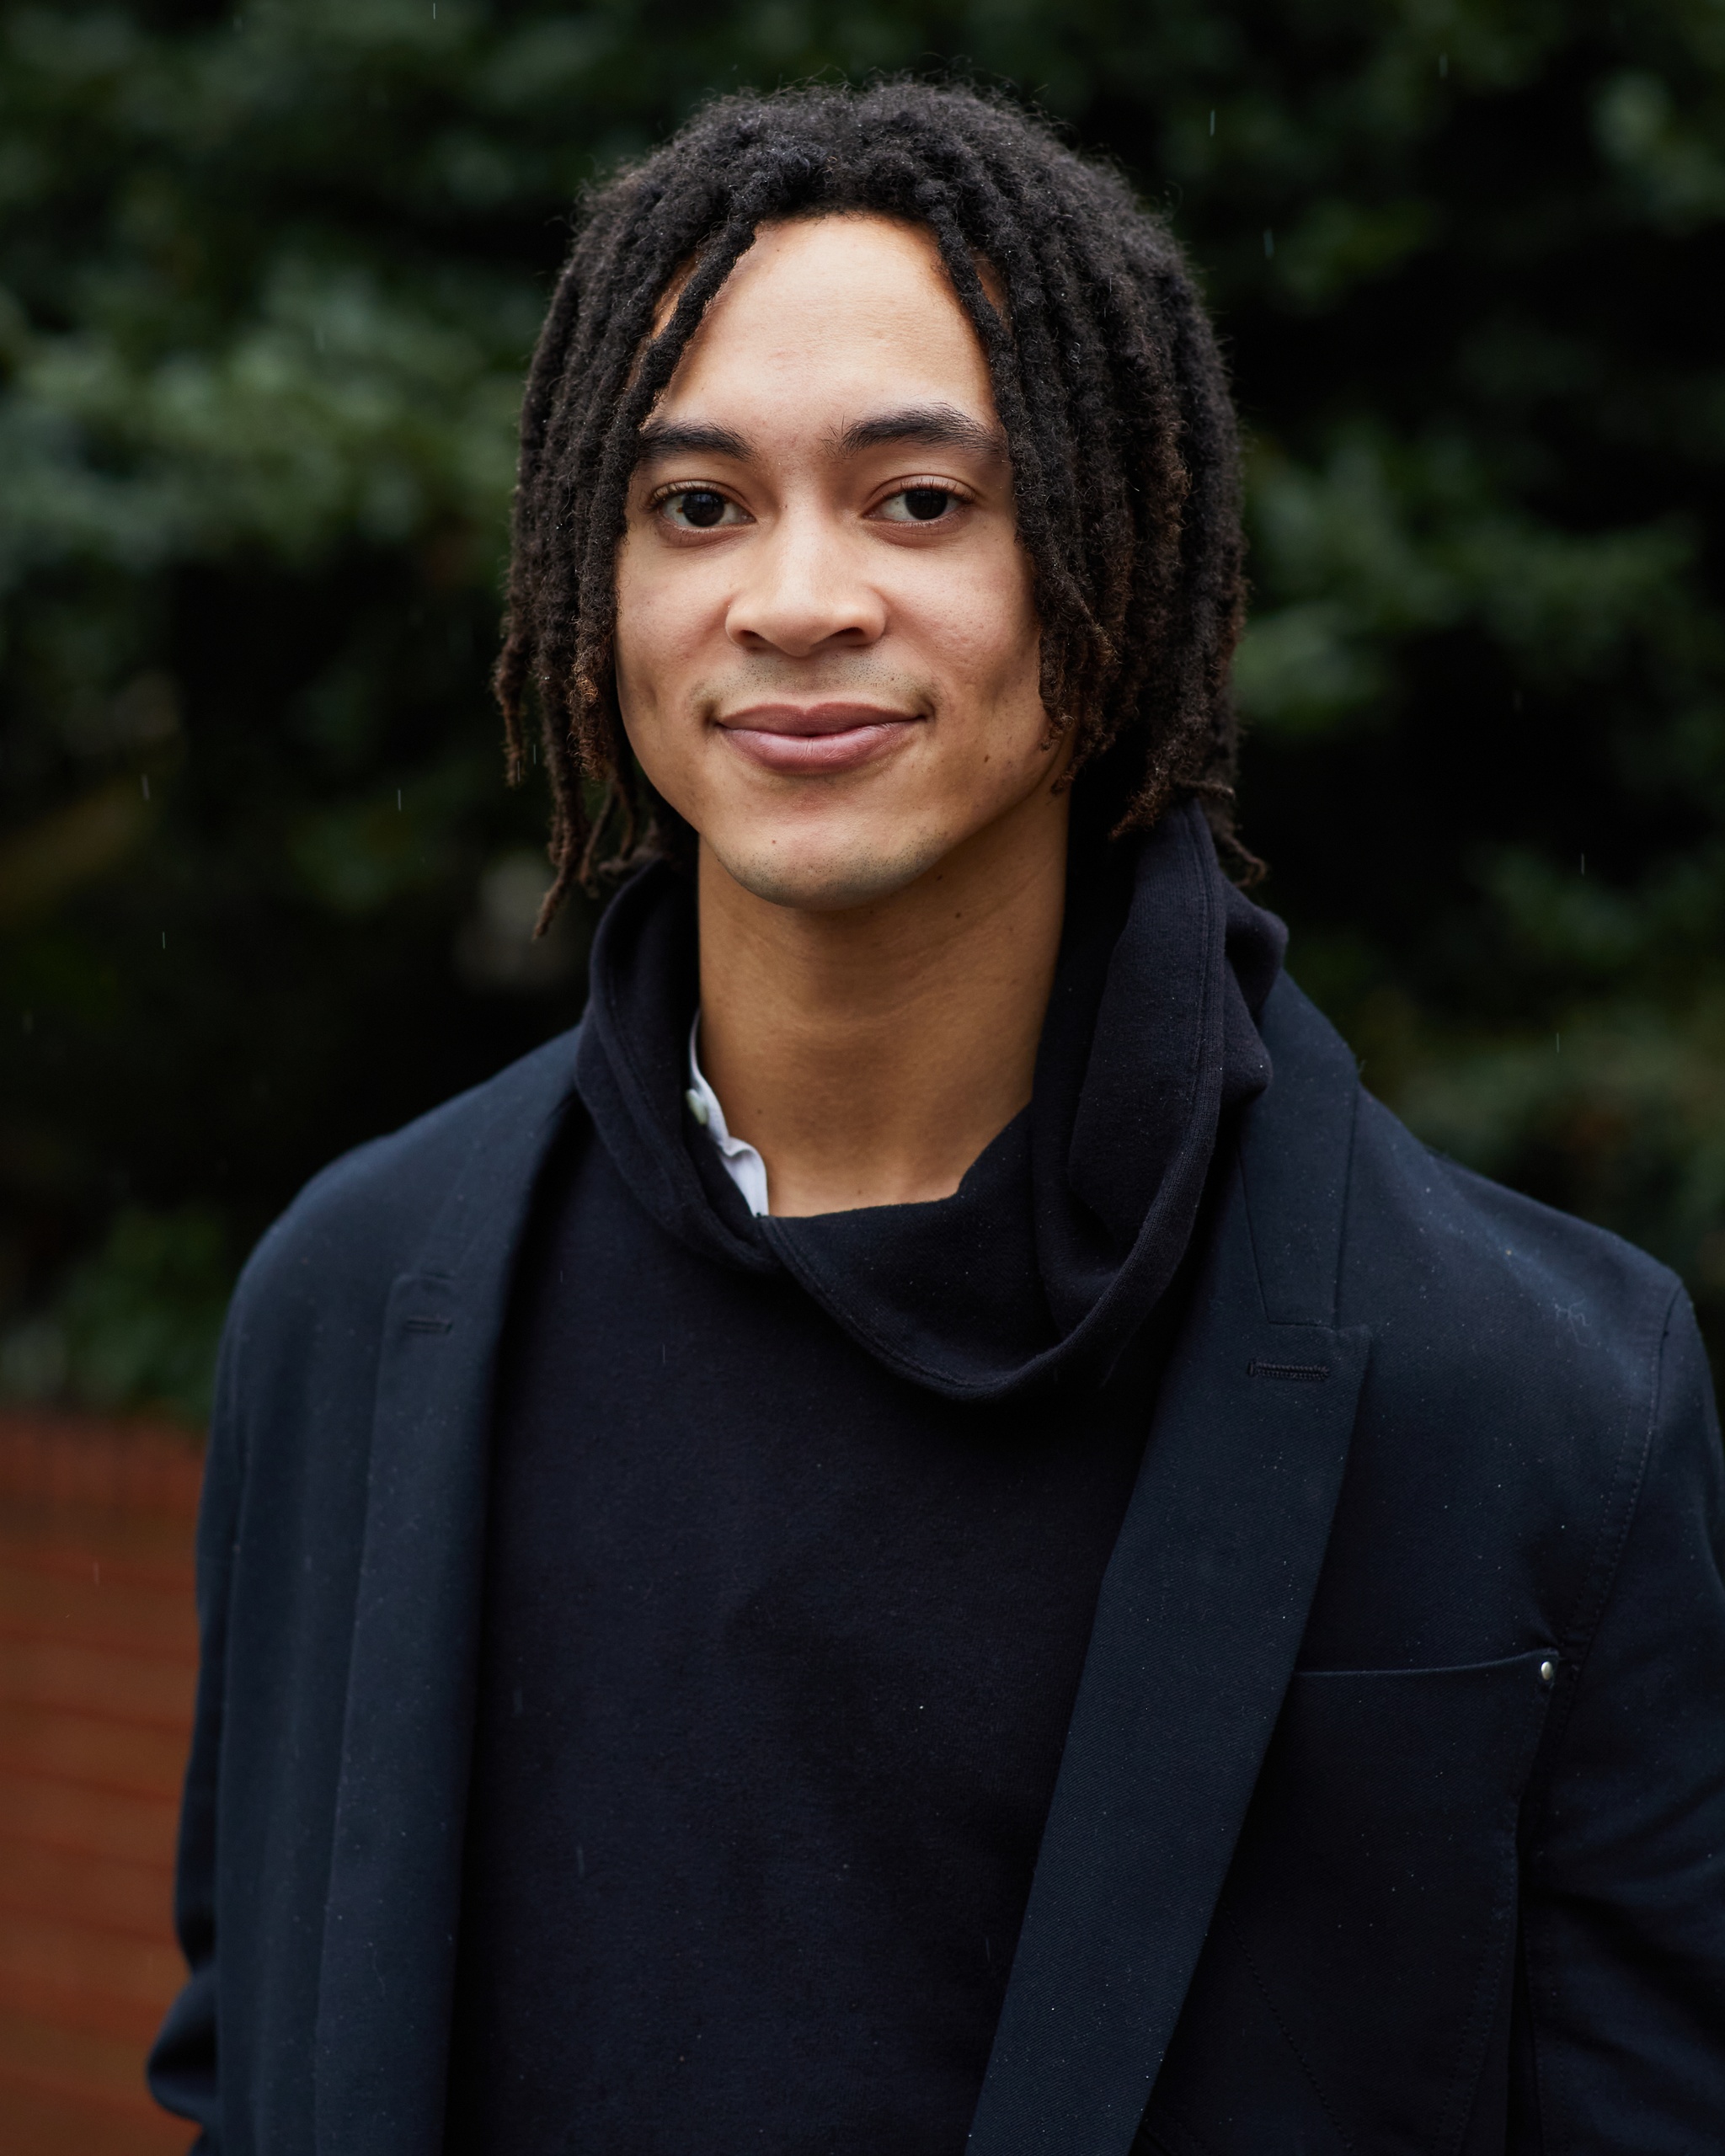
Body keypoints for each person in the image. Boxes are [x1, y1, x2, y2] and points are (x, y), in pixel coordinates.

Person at [149, 82, 1725, 2156]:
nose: (794, 599)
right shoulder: (351, 1305)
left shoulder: (1534, 1389)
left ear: (1121, 556)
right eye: (696, 506)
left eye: (917, 501)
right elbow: (248, 2061)